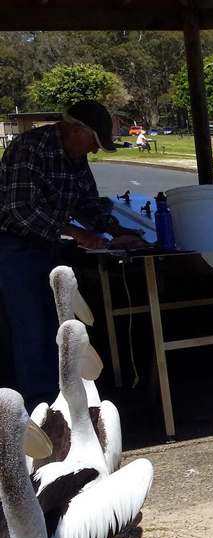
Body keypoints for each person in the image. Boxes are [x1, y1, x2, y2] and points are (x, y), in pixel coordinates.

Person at [0, 100, 145, 410]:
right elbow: (20, 210)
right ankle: (40, 408)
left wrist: (115, 230)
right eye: (93, 142)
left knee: (58, 325)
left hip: (48, 245)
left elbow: (86, 202)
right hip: (14, 246)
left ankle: (62, 398)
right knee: (31, 327)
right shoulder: (30, 148)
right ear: (76, 130)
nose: (94, 151)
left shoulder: (75, 156)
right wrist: (75, 232)